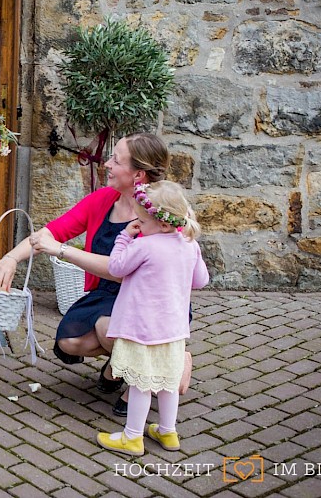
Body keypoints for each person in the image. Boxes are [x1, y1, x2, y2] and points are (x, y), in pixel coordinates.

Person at [0, 133, 171, 415]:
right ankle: (130, 363)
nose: (107, 164)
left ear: (138, 174)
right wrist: (12, 257)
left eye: (116, 160)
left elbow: (124, 274)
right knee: (70, 342)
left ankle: (147, 377)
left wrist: (63, 251)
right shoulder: (104, 200)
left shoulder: (160, 214)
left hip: (147, 300)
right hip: (107, 295)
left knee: (105, 329)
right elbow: (51, 232)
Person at [96, 181, 209, 455]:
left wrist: (124, 237)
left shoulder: (144, 246)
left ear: (164, 224)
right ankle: (168, 431)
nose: (138, 224)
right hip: (173, 330)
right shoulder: (188, 244)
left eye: (142, 220)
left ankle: (132, 436)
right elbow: (201, 280)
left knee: (140, 383)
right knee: (168, 380)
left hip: (141, 329)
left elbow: (116, 266)